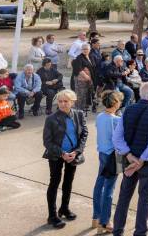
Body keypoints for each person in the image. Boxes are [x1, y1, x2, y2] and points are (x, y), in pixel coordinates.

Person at [112, 81, 148, 236]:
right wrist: (141, 160)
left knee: (124, 196)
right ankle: (140, 232)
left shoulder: (128, 109)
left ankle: (117, 230)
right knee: (145, 198)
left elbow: (117, 138)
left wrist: (129, 155)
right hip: (147, 163)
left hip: (129, 161)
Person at [42, 90, 87, 229]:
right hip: (56, 155)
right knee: (54, 183)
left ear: (72, 102)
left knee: (68, 182)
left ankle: (64, 208)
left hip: (73, 154)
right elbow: (47, 142)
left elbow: (84, 133)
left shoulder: (79, 114)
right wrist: (62, 153)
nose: (62, 104)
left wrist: (77, 151)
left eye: (65, 101)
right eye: (60, 101)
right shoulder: (51, 118)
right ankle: (52, 216)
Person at [93, 91, 122, 234]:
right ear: (116, 103)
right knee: (109, 189)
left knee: (99, 183)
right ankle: (104, 222)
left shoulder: (99, 116)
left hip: (102, 153)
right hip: (112, 156)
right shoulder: (116, 119)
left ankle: (96, 216)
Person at [72, 43, 96, 113]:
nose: (85, 50)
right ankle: (78, 110)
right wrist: (86, 76)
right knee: (80, 95)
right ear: (81, 50)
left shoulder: (91, 56)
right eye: (83, 49)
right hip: (81, 80)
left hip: (90, 79)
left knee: (87, 94)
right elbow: (78, 69)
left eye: (86, 49)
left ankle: (83, 109)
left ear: (90, 50)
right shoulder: (79, 58)